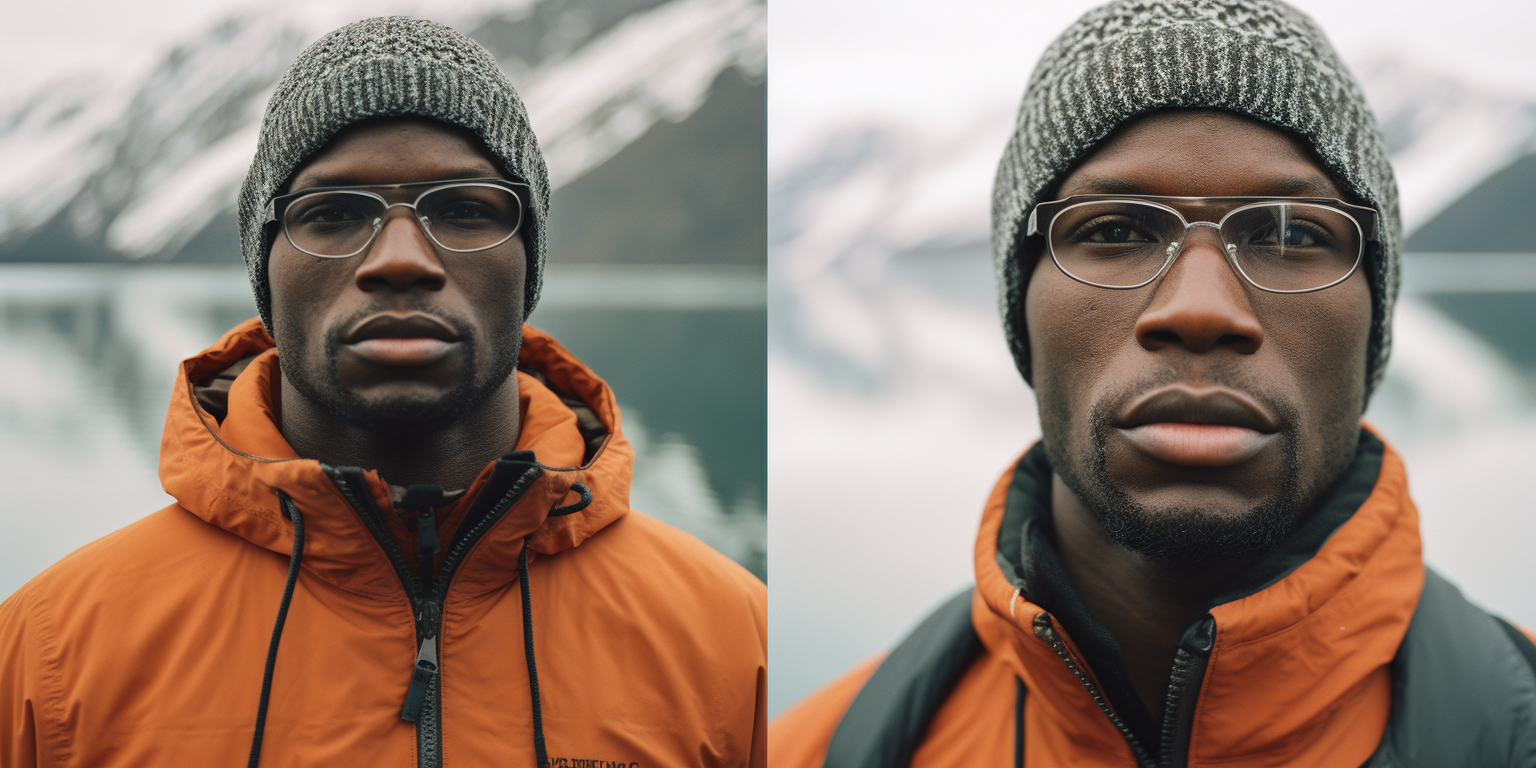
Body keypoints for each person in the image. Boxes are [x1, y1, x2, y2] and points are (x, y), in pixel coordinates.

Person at [770, 1, 1536, 766]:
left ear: (1374, 316)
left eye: (1293, 234)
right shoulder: (815, 749)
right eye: (1112, 230)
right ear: (1020, 312)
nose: (1200, 310)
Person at [0, 17, 765, 768]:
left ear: (529, 264)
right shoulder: (47, 658)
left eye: (465, 210)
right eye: (331, 214)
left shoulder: (737, 646)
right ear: (263, 269)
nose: (401, 260)